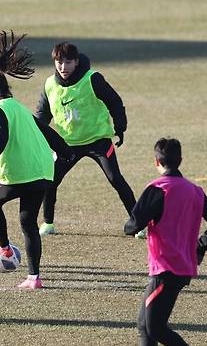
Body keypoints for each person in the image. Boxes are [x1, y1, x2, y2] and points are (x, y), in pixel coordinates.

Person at [0, 30, 73, 289]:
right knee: (28, 222)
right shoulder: (19, 107)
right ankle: (34, 278)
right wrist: (65, 151)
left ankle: (5, 248)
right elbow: (47, 131)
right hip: (43, 172)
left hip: (20, 174)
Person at [120, 138, 207, 346]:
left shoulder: (159, 189)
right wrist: (199, 246)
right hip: (181, 266)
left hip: (167, 268)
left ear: (157, 162)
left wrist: (139, 223)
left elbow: (132, 226)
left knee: (154, 326)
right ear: (180, 160)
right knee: (144, 322)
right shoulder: (194, 190)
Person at [35, 42, 143, 237]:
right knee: (50, 181)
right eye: (59, 62)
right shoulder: (50, 84)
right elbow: (43, 114)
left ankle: (139, 224)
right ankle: (48, 223)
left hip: (98, 141)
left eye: (68, 62)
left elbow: (115, 102)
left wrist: (120, 127)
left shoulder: (92, 79)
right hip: (67, 144)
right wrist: (38, 138)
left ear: (76, 62)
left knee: (115, 179)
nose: (63, 67)